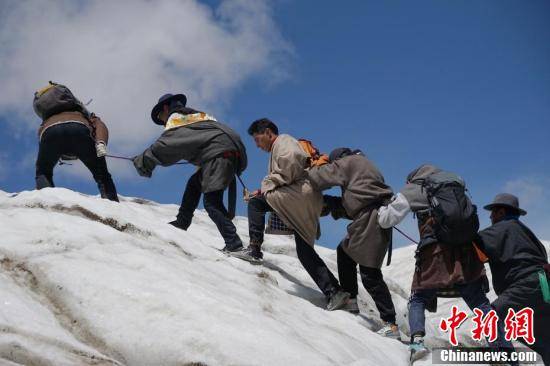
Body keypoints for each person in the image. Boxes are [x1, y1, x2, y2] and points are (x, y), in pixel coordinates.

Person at [377, 164, 512, 362]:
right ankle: (502, 349)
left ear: (413, 177)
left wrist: (381, 210)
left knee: (418, 298)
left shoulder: (416, 188)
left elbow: (386, 220)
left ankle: (417, 343)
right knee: (479, 302)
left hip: (434, 254)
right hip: (466, 254)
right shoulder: (457, 189)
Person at [237, 118, 349, 311]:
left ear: (268, 132)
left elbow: (291, 162)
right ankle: (335, 291)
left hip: (298, 196)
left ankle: (254, 249)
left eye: (257, 139)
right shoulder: (279, 145)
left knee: (256, 204)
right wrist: (265, 188)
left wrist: (267, 184)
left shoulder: (284, 141)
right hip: (301, 196)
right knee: (304, 251)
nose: (257, 145)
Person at [133, 93, 247, 252]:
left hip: (218, 155)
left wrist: (144, 160)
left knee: (211, 202)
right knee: (194, 184)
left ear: (166, 108)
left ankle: (234, 245)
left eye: (160, 116)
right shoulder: (197, 116)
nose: (162, 121)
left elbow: (166, 144)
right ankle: (182, 222)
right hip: (230, 153)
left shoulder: (176, 118)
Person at [308, 147, 400, 339]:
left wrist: (319, 163)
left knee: (370, 273)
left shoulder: (349, 162)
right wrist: (332, 203)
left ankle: (390, 324)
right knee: (345, 253)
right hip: (372, 217)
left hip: (369, 220)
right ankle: (351, 300)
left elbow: (318, 178)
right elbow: (356, 200)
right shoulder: (366, 165)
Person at [477, 193, 550, 365]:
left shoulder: (503, 228)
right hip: (544, 288)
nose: (490, 216)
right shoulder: (526, 232)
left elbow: (472, 244)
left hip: (524, 286)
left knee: (491, 318)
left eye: (493, 212)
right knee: (544, 341)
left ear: (501, 212)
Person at [33, 82, 118, 201]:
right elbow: (99, 125)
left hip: (49, 132)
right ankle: (112, 204)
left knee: (43, 171)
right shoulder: (82, 112)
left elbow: (45, 139)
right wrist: (101, 142)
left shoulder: (47, 119)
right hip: (79, 128)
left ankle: (48, 203)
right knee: (102, 175)